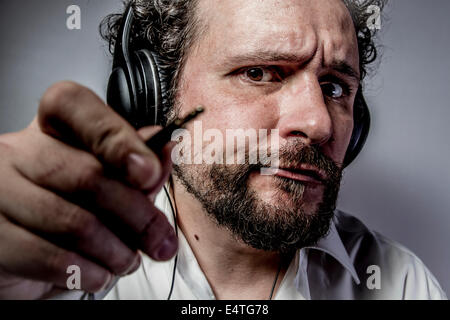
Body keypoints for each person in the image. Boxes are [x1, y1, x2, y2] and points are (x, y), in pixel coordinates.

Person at [0, 0, 446, 300]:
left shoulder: (402, 284)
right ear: (155, 96)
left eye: (334, 86)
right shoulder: (54, 268)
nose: (319, 123)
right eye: (259, 72)